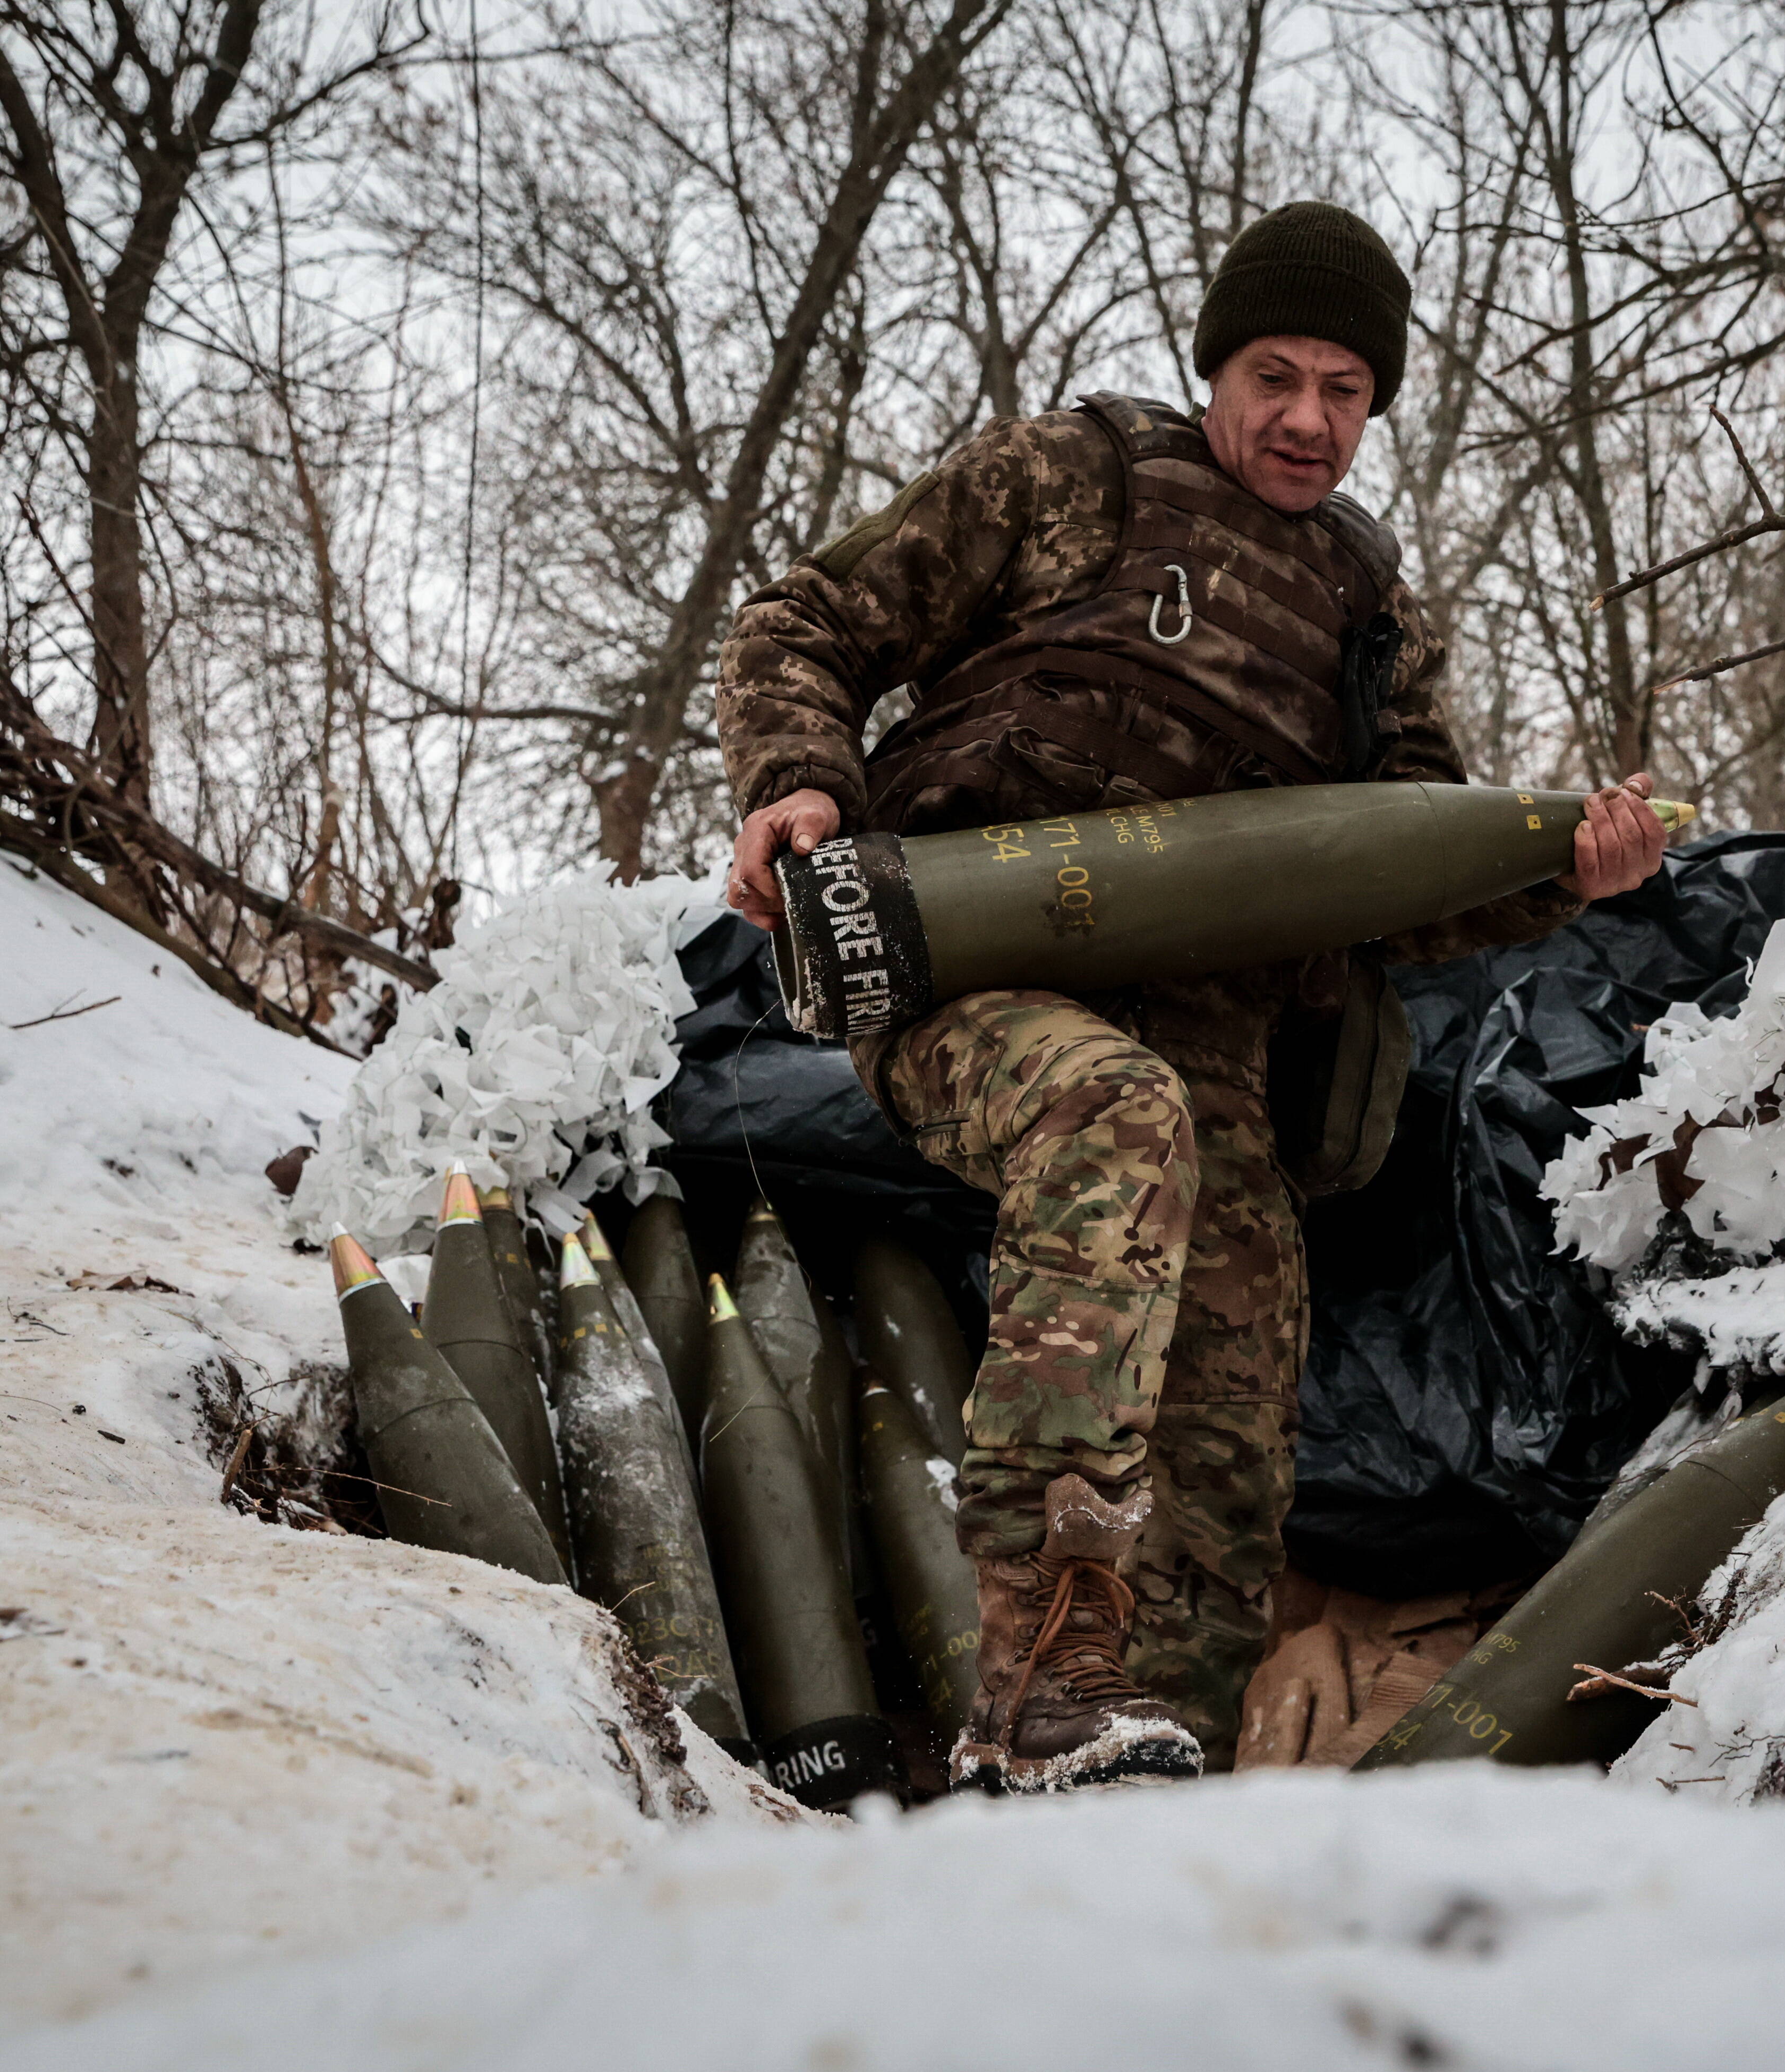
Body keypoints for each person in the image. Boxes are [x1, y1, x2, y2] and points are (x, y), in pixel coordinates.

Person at [714, 200, 1668, 1789]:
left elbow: (1407, 884)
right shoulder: (1068, 481)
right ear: (1217, 366)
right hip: (965, 973)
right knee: (1112, 1111)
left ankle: (1168, 1803)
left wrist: (1574, 866)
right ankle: (1037, 1687)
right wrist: (800, 789)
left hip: (1222, 1055)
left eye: (1346, 391)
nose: (1307, 420)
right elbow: (802, 621)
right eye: (1277, 376)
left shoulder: (1369, 612)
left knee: (1231, 1431)